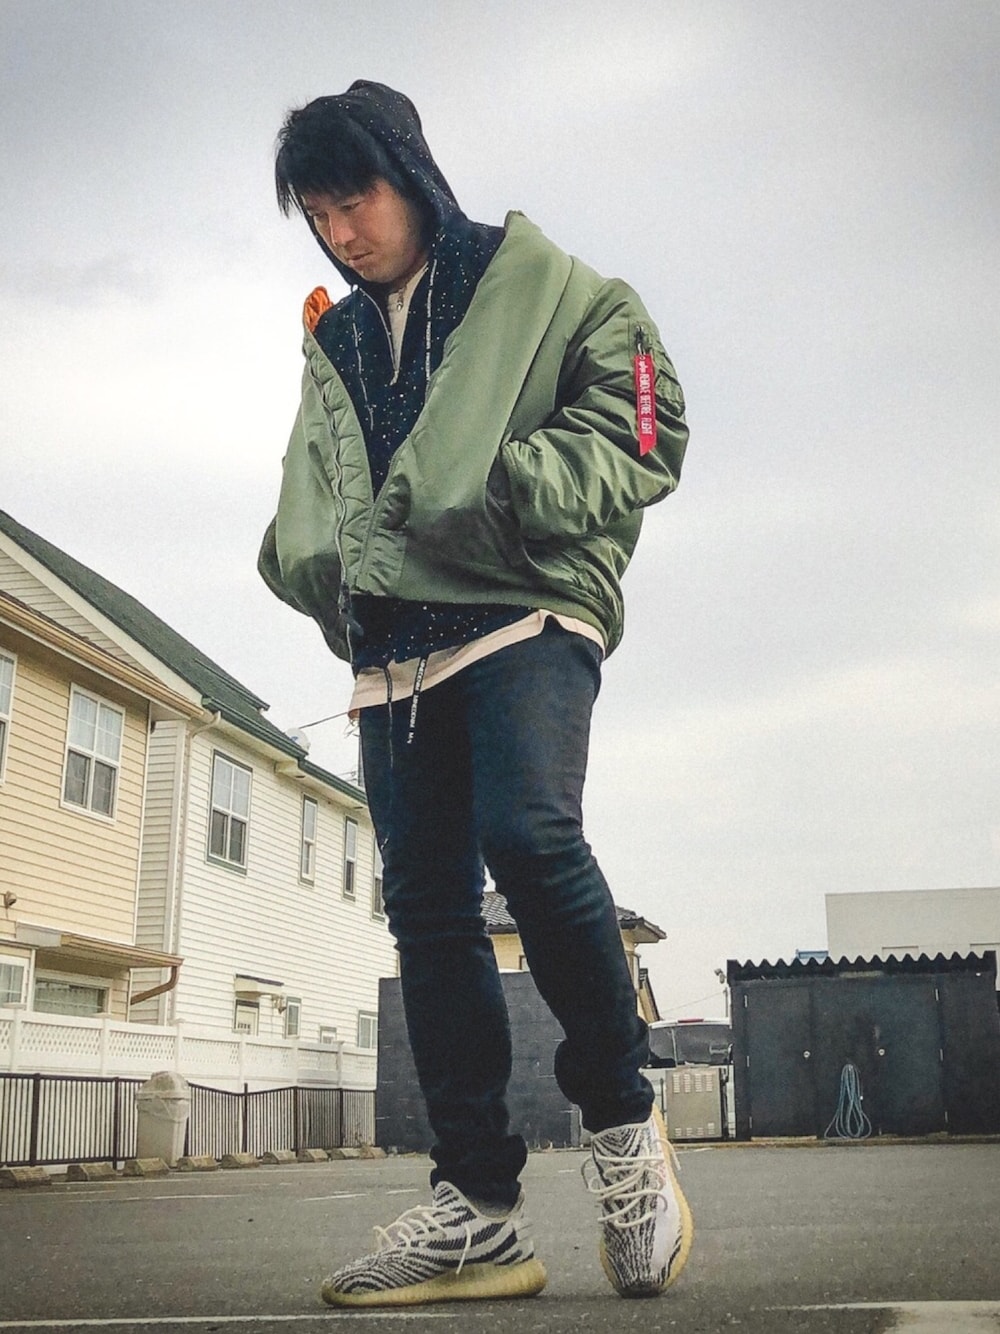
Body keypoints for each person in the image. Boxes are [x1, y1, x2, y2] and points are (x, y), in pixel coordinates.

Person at [259, 80, 692, 1309]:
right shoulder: (337, 342)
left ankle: (622, 1123)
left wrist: (507, 491)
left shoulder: (552, 287)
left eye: (356, 199)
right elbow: (318, 500)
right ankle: (479, 1211)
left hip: (525, 608)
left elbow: (648, 423)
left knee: (530, 832)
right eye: (318, 214)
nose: (342, 232)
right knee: (427, 910)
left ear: (411, 174)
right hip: (397, 653)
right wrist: (312, 569)